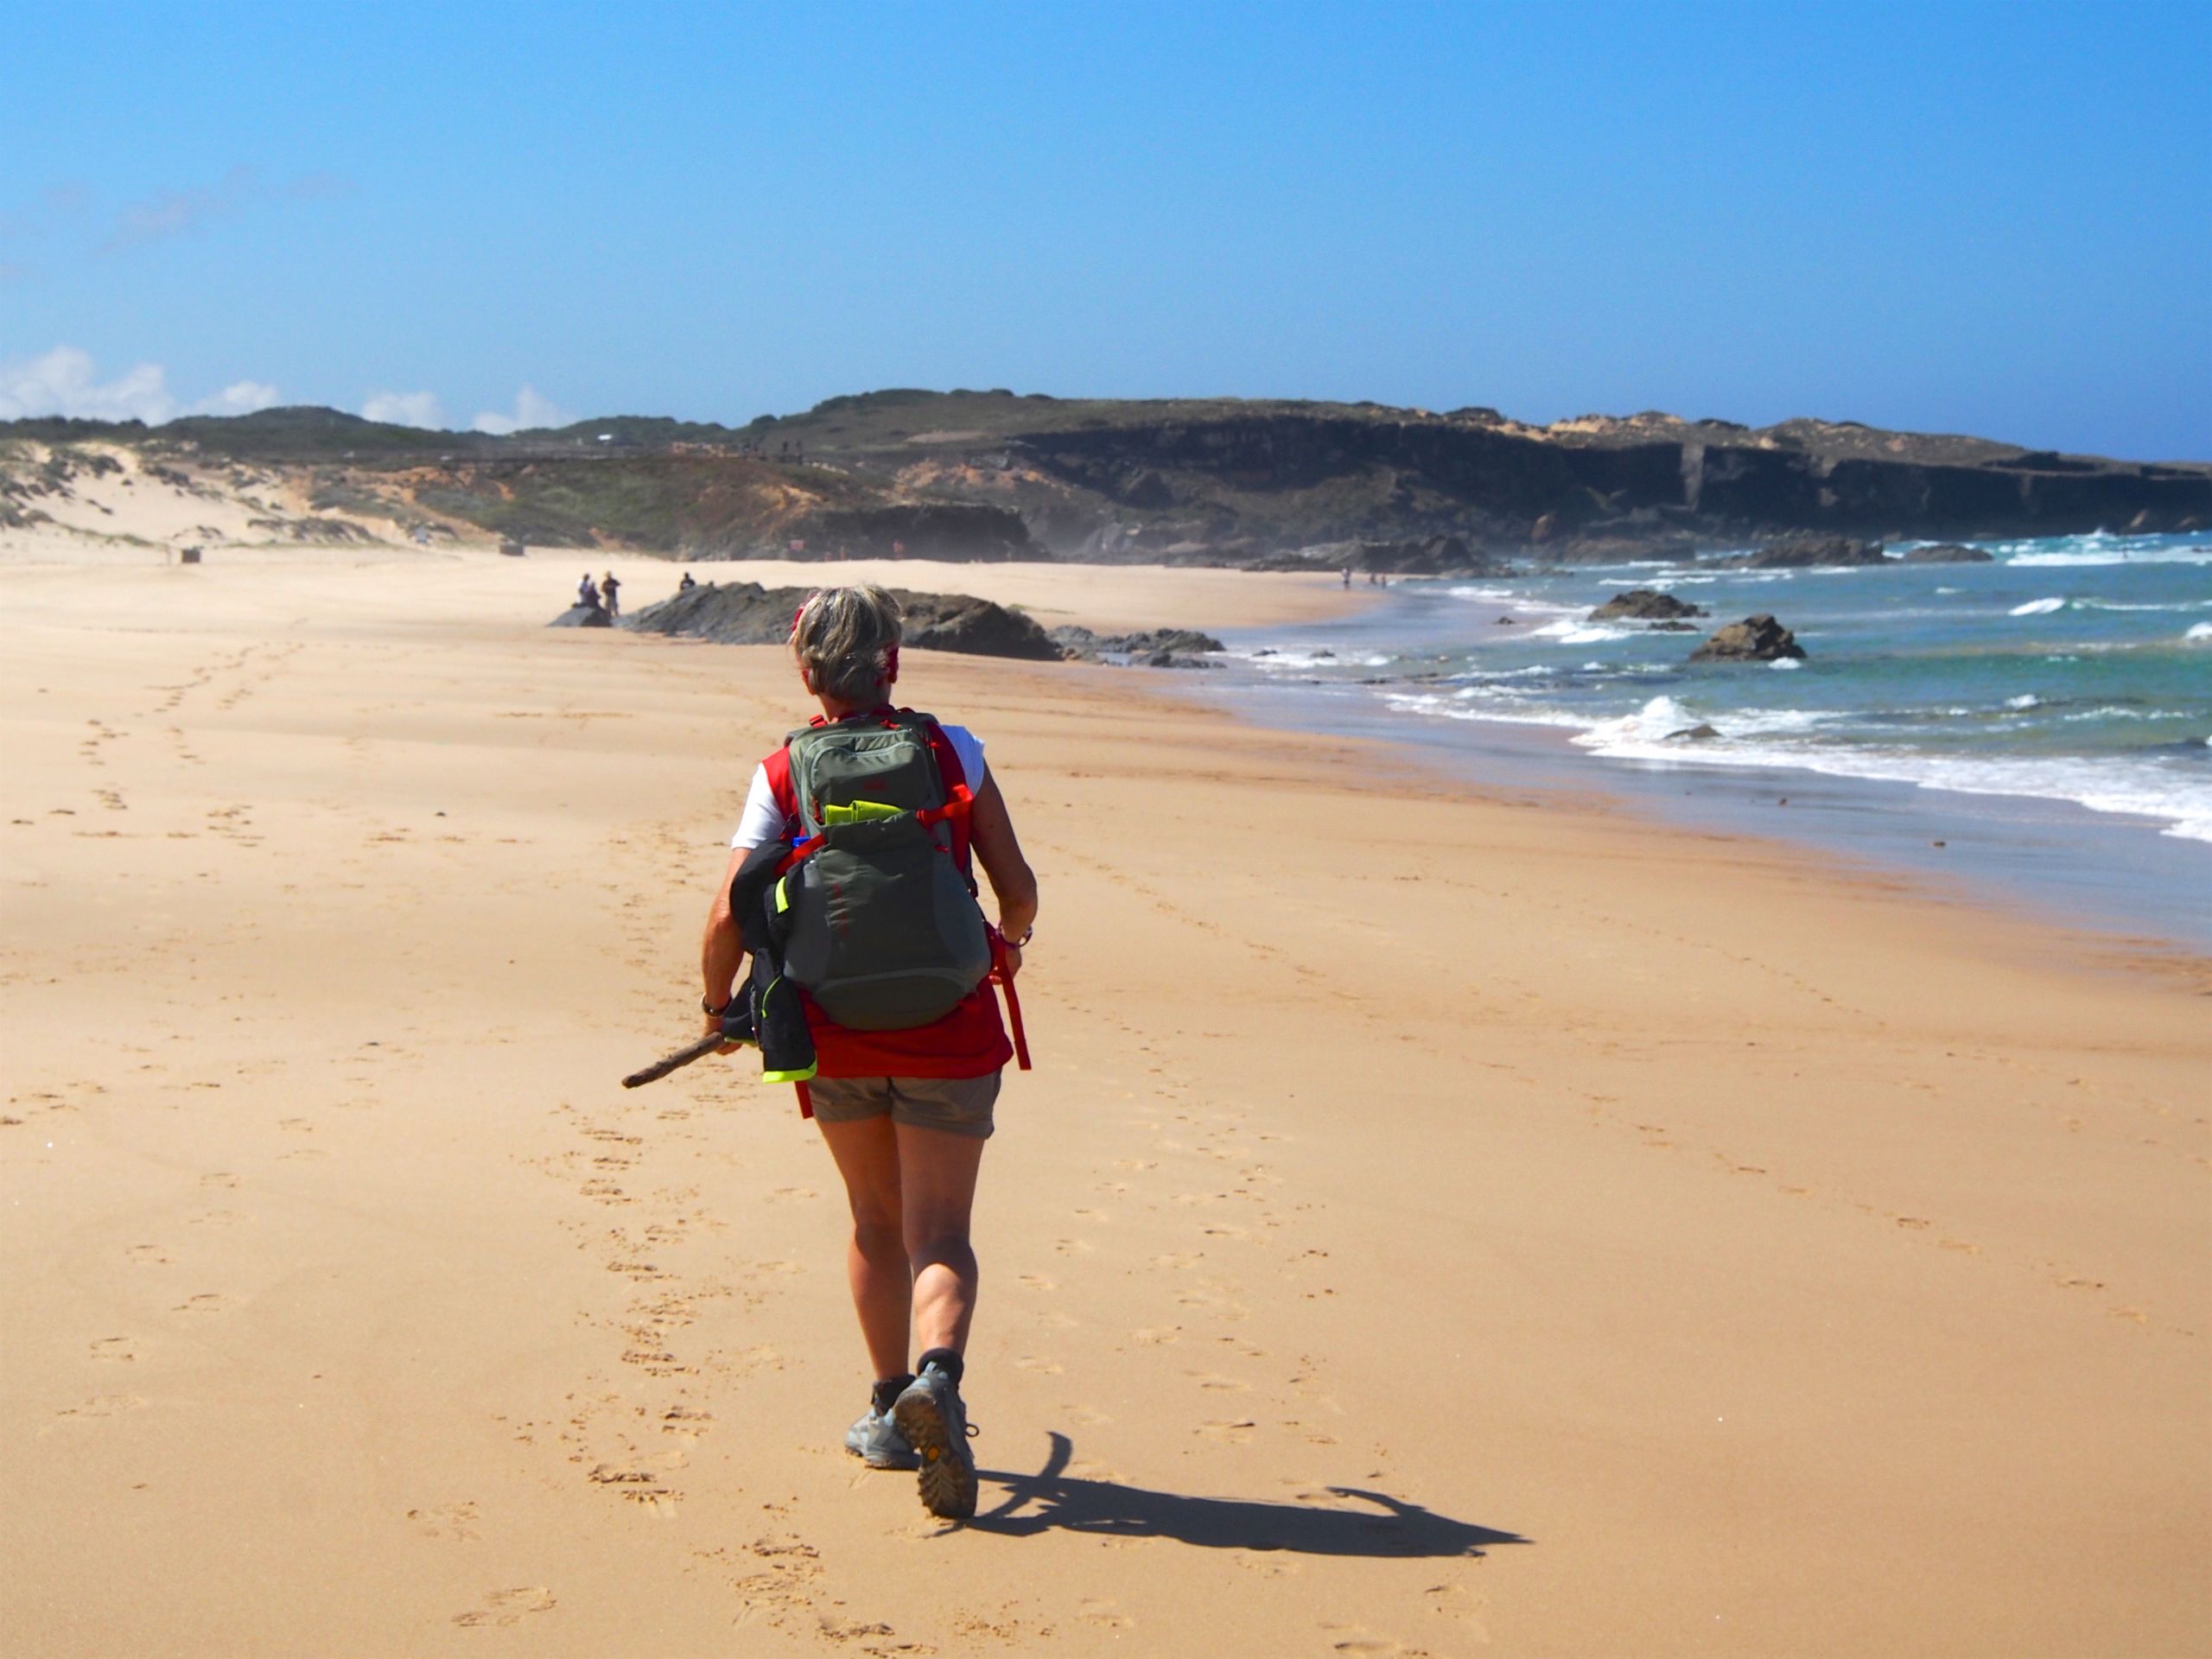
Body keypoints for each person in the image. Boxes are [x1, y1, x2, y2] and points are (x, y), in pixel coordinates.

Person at [698, 584, 1038, 1521]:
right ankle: (940, 1377)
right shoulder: (949, 750)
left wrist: (717, 1008)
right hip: (951, 1025)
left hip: (836, 1030)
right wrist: (1009, 940)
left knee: (873, 1223)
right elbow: (1018, 889)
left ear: (805, 670)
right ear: (893, 661)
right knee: (942, 1233)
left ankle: (890, 1407)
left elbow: (729, 911)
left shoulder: (781, 771)